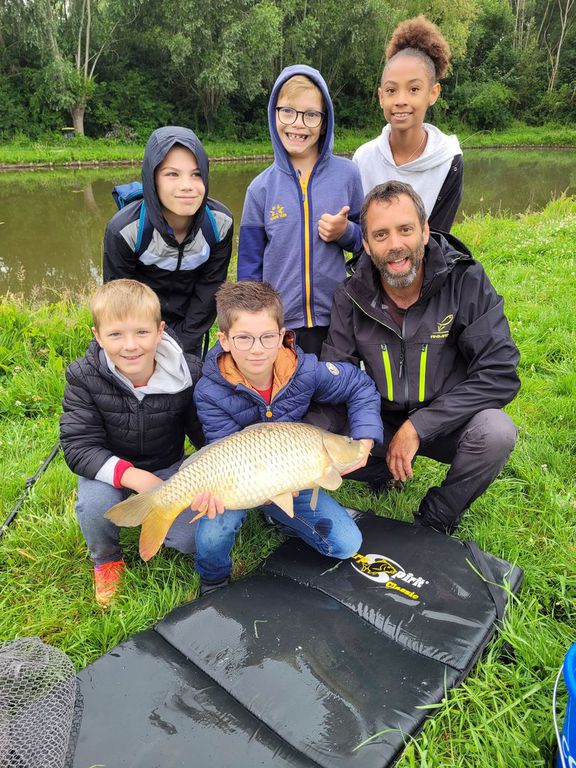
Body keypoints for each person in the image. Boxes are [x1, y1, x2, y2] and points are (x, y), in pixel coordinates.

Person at [320, 181, 520, 533]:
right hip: (380, 422)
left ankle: (437, 517)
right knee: (319, 434)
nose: (395, 245)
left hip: (450, 420)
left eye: (405, 229)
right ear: (366, 244)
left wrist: (419, 426)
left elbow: (500, 371)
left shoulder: (466, 281)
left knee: (496, 432)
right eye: (381, 235)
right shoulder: (350, 295)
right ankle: (384, 471)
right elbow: (337, 378)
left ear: (425, 231)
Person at [192, 280, 383, 594]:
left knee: (347, 544)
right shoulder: (210, 392)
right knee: (213, 534)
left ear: (281, 335)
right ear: (224, 340)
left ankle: (278, 517)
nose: (257, 349)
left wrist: (365, 439)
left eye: (267, 337)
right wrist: (250, 490)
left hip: (289, 473)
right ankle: (213, 579)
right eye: (244, 338)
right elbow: (222, 447)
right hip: (235, 479)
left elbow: (359, 386)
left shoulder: (303, 371)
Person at [60, 279, 207, 606]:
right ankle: (107, 559)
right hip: (109, 467)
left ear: (160, 331)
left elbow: (204, 434)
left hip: (169, 467)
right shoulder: (83, 376)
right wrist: (134, 477)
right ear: (98, 336)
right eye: (115, 335)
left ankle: (152, 520)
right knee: (95, 505)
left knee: (193, 538)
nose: (130, 346)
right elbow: (78, 446)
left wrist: (215, 475)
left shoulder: (189, 373)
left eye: (142, 332)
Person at [237, 65, 364, 358]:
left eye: (311, 115)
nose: (298, 124)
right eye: (288, 112)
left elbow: (368, 241)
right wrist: (253, 322)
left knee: (336, 383)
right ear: (274, 114)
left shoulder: (348, 175)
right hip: (280, 326)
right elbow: (249, 267)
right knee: (287, 387)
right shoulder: (260, 189)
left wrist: (346, 232)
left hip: (337, 320)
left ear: (325, 121)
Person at [103, 126, 234, 358]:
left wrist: (185, 342)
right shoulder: (124, 230)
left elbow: (210, 288)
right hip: (140, 328)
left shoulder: (220, 223)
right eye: (172, 174)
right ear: (152, 179)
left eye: (196, 174)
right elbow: (119, 300)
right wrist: (150, 341)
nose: (187, 185)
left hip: (191, 324)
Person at [353, 16, 463, 232]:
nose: (401, 100)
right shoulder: (363, 159)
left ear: (433, 93)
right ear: (381, 97)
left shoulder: (449, 160)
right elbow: (360, 232)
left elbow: (438, 237)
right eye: (391, 90)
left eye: (414, 89)